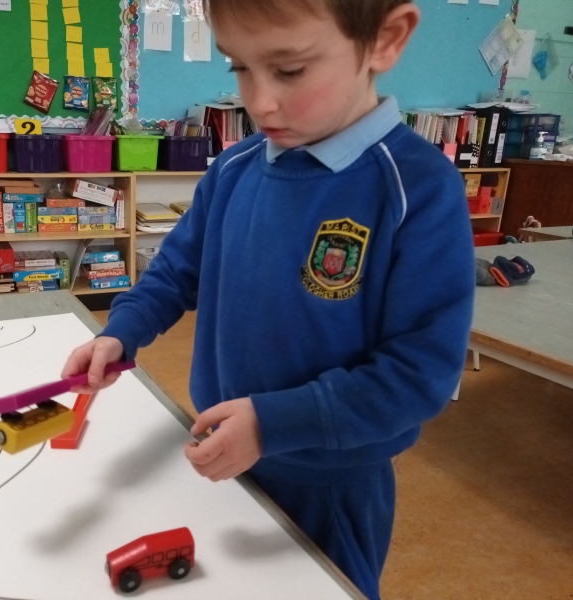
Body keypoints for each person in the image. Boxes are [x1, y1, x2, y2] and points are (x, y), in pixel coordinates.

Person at [62, 1, 475, 597]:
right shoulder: (234, 168)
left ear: (385, 40)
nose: (258, 103)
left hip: (329, 484)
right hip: (219, 453)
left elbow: (419, 375)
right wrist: (120, 331)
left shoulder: (417, 187)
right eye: (239, 68)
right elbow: (175, 271)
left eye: (289, 70)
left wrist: (274, 424)